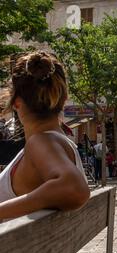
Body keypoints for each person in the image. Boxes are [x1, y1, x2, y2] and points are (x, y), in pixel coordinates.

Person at [0, 51, 90, 221]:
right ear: (63, 99)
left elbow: (74, 188)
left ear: (16, 102)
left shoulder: (41, 142)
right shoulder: (57, 141)